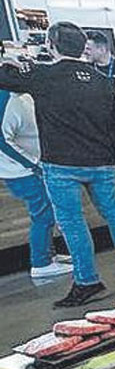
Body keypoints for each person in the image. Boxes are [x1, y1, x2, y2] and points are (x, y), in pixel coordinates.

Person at [0, 22, 115, 307]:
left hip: (61, 164)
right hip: (101, 161)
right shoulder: (102, 80)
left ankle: (87, 281)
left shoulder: (44, 76)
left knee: (72, 223)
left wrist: (10, 61)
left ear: (51, 45)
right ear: (83, 47)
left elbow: (5, 79)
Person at [0, 87, 72, 279]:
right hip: (20, 171)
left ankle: (48, 255)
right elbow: (2, 140)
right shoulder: (7, 99)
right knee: (43, 214)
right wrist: (33, 165)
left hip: (27, 166)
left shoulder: (21, 97)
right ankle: (41, 262)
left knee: (45, 212)